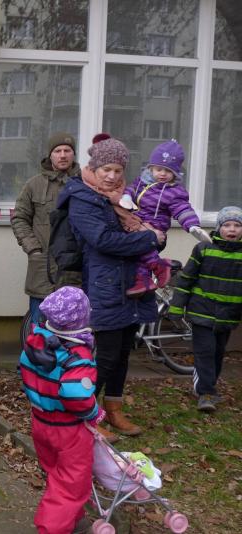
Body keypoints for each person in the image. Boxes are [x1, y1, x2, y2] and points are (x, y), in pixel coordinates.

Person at [58, 136, 165, 443]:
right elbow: (103, 240)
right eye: (106, 169)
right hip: (105, 285)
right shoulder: (82, 197)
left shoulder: (126, 197)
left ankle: (113, 411)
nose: (112, 176)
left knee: (122, 354)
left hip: (133, 284)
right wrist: (150, 239)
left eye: (118, 170)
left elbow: (154, 229)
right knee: (104, 357)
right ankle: (85, 416)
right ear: (94, 167)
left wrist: (155, 237)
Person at [19, 286, 102, 534]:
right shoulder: (77, 355)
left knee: (58, 475)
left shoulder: (36, 342)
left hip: (41, 422)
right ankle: (52, 528)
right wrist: (94, 412)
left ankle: (74, 520)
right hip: (69, 431)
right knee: (70, 485)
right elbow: (76, 395)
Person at [169, 206, 242, 413]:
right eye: (227, 225)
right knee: (206, 352)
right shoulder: (204, 249)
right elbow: (186, 279)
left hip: (228, 315)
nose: (232, 229)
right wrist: (176, 307)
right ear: (218, 228)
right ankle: (205, 393)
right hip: (202, 310)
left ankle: (210, 387)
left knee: (218, 352)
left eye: (237, 225)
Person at [11, 132, 82, 328]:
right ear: (50, 155)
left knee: (73, 327)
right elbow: (19, 218)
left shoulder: (85, 184)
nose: (62, 155)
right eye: (57, 151)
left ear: (74, 154)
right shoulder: (34, 185)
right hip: (42, 267)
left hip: (75, 269)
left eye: (67, 150)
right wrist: (33, 249)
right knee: (39, 327)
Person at [120, 140, 209, 295]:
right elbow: (131, 189)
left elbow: (183, 209)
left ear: (175, 173)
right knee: (138, 255)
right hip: (138, 221)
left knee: (141, 245)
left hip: (155, 224)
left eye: (168, 171)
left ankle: (161, 267)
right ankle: (143, 282)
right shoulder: (141, 181)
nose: (162, 174)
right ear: (151, 168)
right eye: (159, 169)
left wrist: (192, 226)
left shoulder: (174, 191)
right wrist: (127, 197)